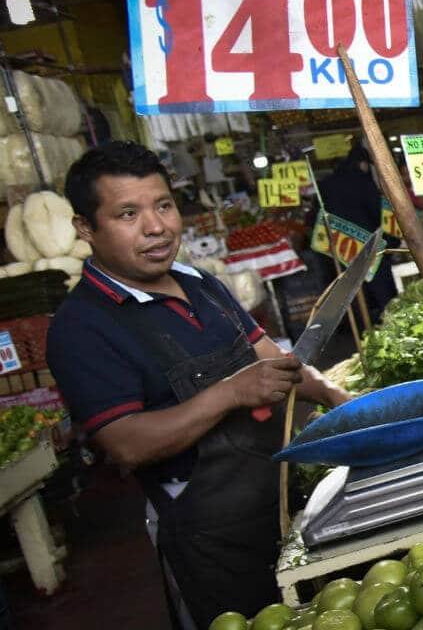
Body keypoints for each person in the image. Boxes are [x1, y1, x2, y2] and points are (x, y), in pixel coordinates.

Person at [46, 141, 351, 629]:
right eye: (128, 214)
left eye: (163, 205)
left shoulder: (200, 283)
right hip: (215, 540)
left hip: (289, 497)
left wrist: (341, 400)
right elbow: (125, 444)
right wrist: (230, 392)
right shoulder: (81, 328)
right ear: (86, 228)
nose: (157, 227)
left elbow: (274, 360)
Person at [316, 143, 400, 321]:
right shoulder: (362, 181)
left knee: (355, 292)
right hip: (368, 244)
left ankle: (363, 325)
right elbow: (377, 212)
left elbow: (318, 216)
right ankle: (387, 320)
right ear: (361, 163)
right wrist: (392, 241)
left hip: (341, 246)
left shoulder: (326, 184)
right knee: (381, 289)